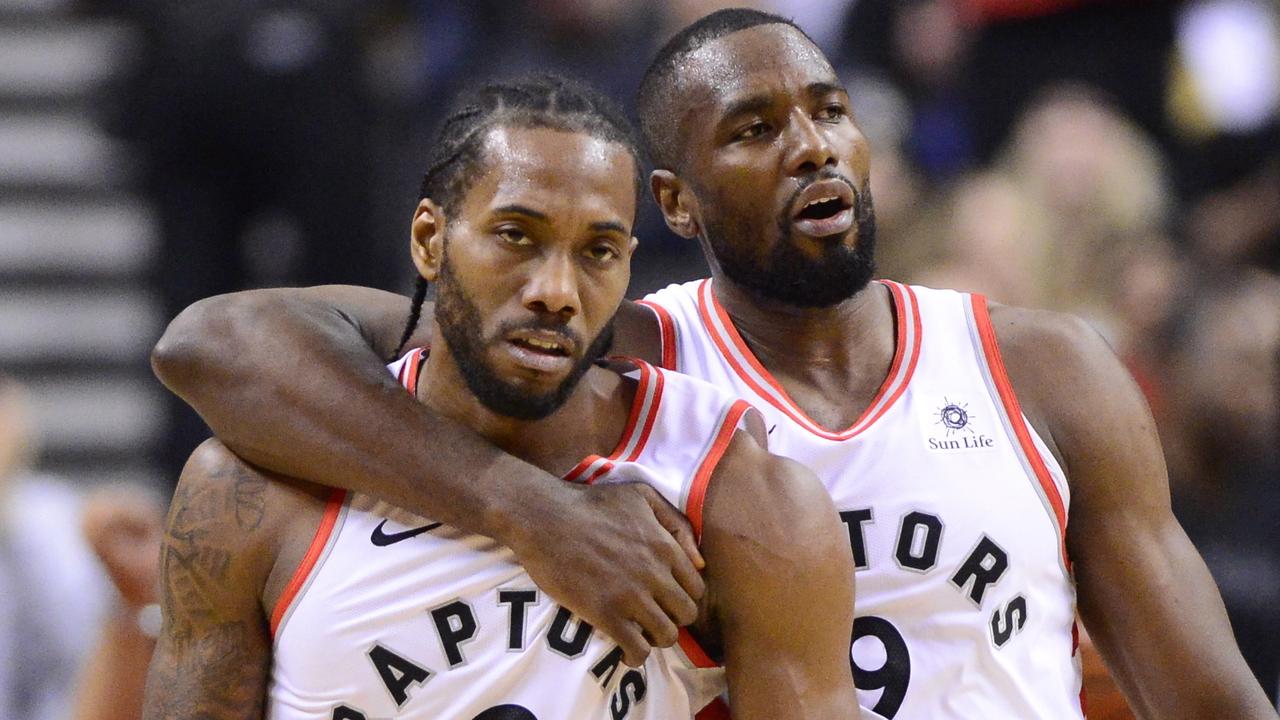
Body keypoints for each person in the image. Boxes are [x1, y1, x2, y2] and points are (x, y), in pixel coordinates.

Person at [152, 9, 1278, 720]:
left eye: (829, 112)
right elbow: (224, 344)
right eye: (752, 128)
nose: (809, 145)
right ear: (674, 204)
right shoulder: (613, 350)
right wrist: (520, 506)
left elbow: (1204, 698)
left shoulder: (1038, 369)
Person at [142, 75, 858, 720]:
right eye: (517, 236)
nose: (555, 291)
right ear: (430, 240)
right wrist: (534, 514)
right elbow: (199, 340)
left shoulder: (733, 495)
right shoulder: (253, 494)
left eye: (597, 251)